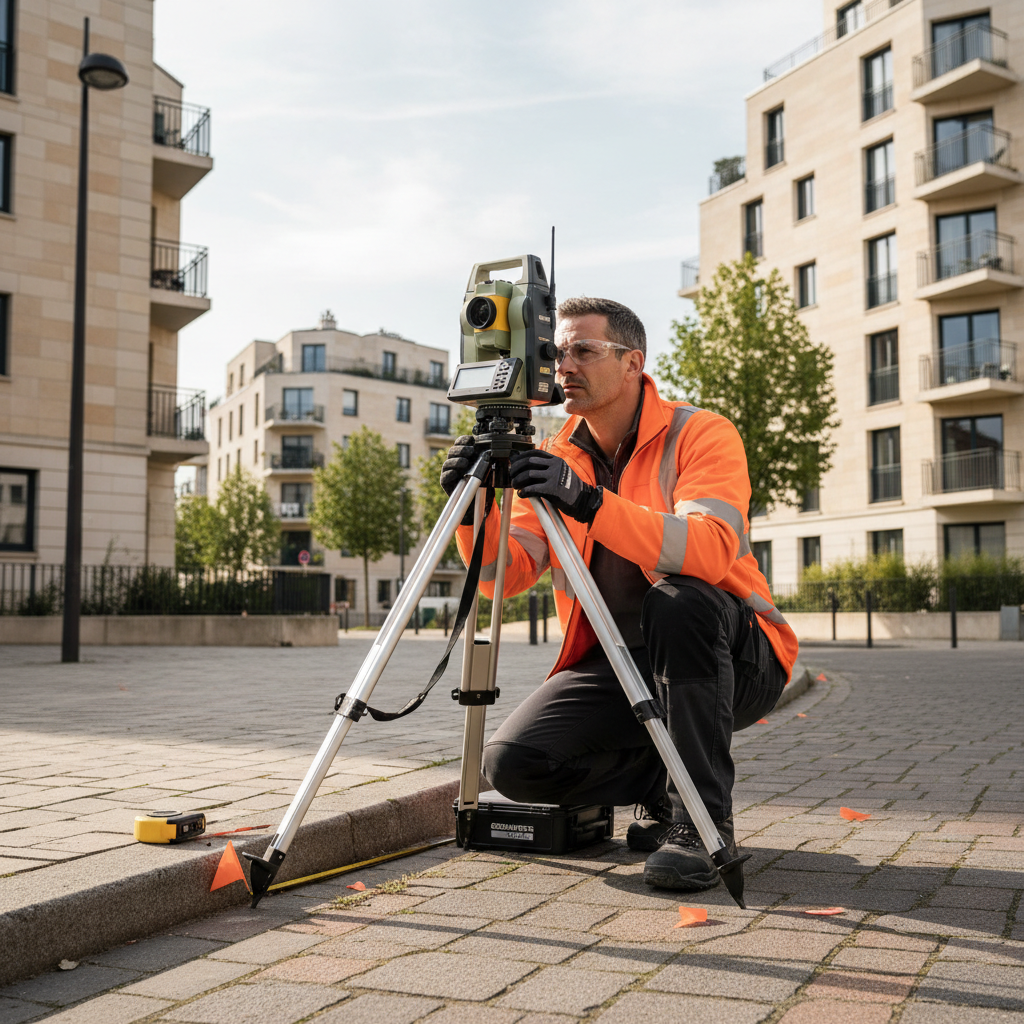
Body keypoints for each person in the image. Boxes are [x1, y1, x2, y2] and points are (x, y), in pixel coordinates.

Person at [440, 296, 798, 891]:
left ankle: (702, 826)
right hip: (619, 664)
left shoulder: (701, 433)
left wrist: (587, 501)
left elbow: (709, 550)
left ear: (634, 362)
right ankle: (660, 784)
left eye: (584, 350)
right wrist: (473, 509)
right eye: (557, 352)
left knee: (678, 601)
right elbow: (505, 577)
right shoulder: (553, 457)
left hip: (736, 655)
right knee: (515, 766)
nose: (564, 365)